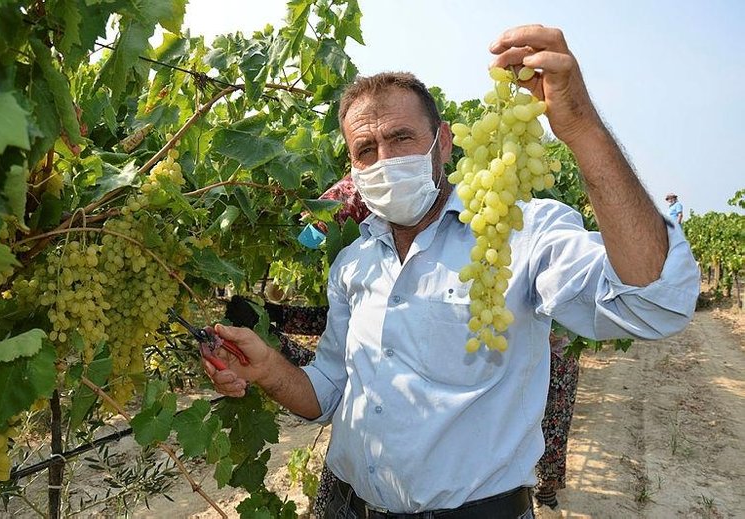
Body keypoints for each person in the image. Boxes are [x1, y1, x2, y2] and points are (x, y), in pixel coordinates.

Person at [205, 25, 700, 518]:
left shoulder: (517, 232)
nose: (384, 159)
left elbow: (654, 302)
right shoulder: (353, 263)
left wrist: (582, 129)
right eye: (366, 150)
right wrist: (269, 369)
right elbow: (329, 393)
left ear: (443, 143)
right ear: (352, 166)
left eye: (401, 138)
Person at [533, 332, 579, 518]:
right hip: (528, 359)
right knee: (523, 423)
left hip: (559, 360)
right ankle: (524, 485)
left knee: (555, 424)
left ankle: (546, 488)